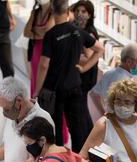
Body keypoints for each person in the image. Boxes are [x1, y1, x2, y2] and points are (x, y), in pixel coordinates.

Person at [34, 0, 104, 153]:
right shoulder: (78, 31)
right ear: (68, 13)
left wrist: (36, 91)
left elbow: (44, 65)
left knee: (55, 126)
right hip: (74, 86)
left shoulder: (51, 35)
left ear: (52, 12)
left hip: (54, 88)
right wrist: (84, 67)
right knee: (76, 126)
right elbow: (99, 49)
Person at [90, 43, 137, 116]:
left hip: (111, 119)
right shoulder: (125, 82)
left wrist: (103, 113)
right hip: (122, 122)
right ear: (129, 61)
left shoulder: (108, 74)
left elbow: (93, 94)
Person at [72, 0, 99, 139]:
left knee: (81, 110)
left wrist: (72, 57)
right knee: (82, 109)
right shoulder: (78, 29)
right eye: (77, 11)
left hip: (85, 76)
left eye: (83, 12)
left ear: (89, 15)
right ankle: (89, 139)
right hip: (82, 75)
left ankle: (86, 140)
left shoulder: (89, 33)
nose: (79, 14)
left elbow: (88, 56)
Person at [24, 0, 54, 96]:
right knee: (35, 79)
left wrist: (34, 30)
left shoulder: (53, 13)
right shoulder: (35, 12)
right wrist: (40, 33)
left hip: (49, 51)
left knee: (46, 81)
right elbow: (26, 32)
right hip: (36, 50)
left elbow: (47, 33)